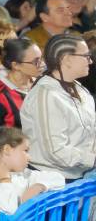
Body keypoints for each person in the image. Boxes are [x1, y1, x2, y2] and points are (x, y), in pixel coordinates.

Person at [20, 33, 96, 180]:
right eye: (86, 56)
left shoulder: (80, 88)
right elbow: (55, 151)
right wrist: (92, 159)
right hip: (52, 183)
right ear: (66, 59)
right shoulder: (46, 95)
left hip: (78, 174)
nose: (91, 61)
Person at [0, 127, 64, 221]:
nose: (29, 157)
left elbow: (59, 179)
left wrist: (38, 186)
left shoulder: (22, 174)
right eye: (25, 150)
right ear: (7, 150)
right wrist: (4, 180)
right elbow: (9, 209)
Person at [0, 38, 42, 137]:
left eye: (42, 59)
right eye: (36, 62)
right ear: (16, 65)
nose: (43, 64)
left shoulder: (42, 84)